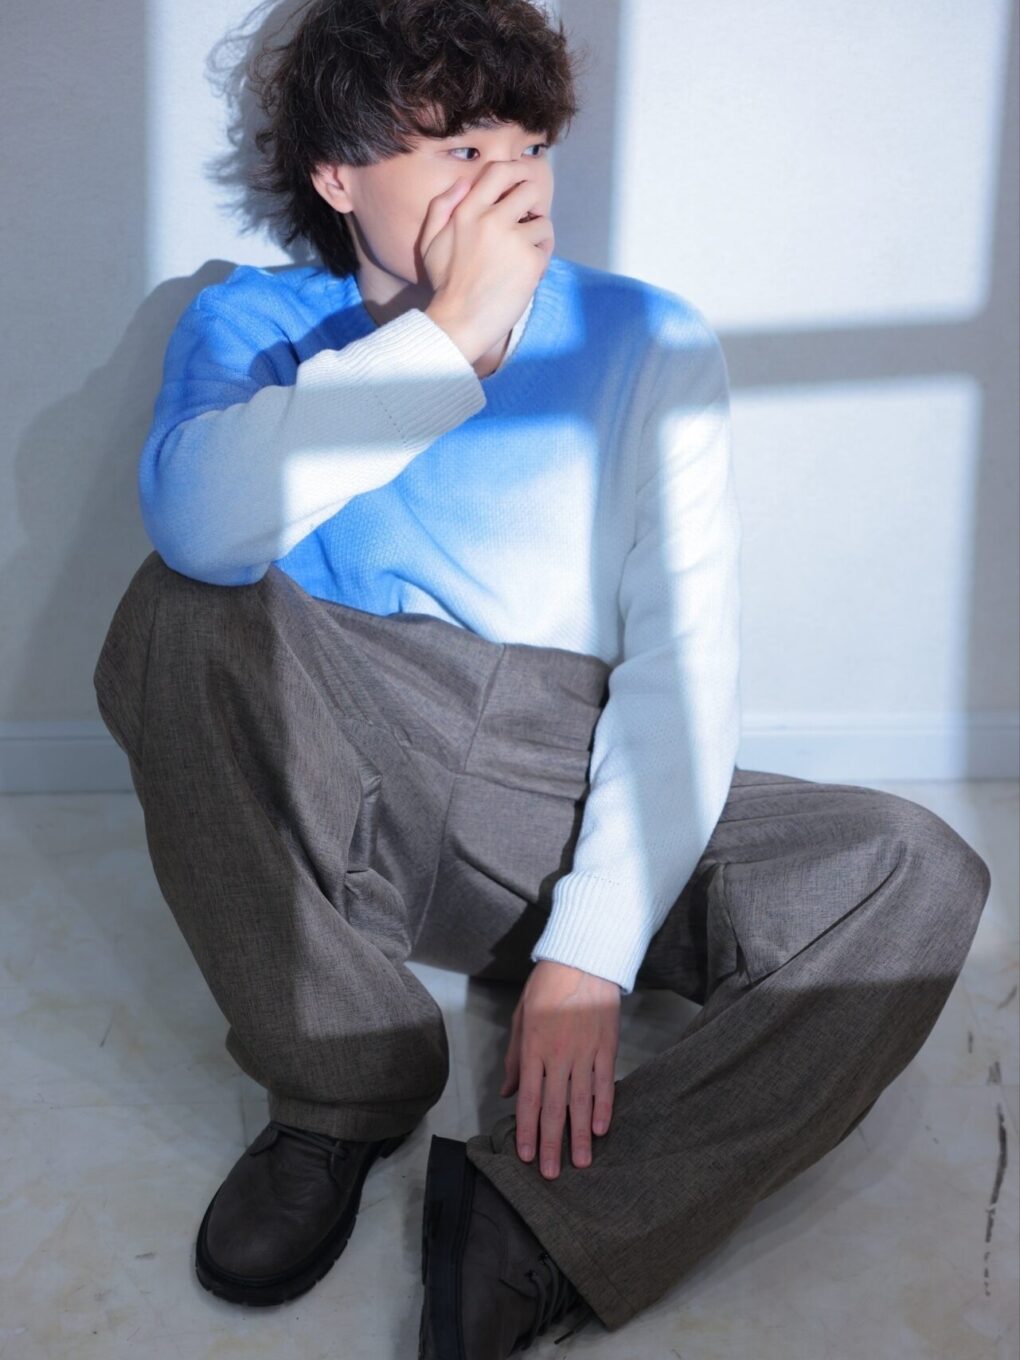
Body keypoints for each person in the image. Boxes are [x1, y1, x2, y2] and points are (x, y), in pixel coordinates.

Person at [92, 0, 993, 1355]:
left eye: (527, 146)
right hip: (359, 767)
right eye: (458, 150)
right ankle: (341, 1087)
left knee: (916, 869)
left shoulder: (648, 338)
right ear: (337, 177)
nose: (509, 185)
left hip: (562, 777)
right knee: (176, 611)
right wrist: (450, 337)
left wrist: (589, 955)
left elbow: (684, 661)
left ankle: (548, 1222)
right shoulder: (255, 324)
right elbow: (203, 535)